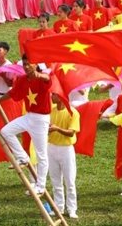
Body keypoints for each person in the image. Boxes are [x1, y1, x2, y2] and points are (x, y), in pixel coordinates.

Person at [0, 54, 51, 195]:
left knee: (41, 154)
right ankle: (23, 157)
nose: (27, 67)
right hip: (29, 116)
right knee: (5, 131)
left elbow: (48, 79)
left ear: (36, 65)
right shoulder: (23, 79)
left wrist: (39, 75)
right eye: (24, 64)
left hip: (41, 119)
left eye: (29, 64)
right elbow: (13, 93)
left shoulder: (42, 77)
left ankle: (40, 185)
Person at [48, 91, 80, 220]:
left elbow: (71, 133)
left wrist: (56, 129)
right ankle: (58, 207)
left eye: (54, 95)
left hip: (66, 149)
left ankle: (72, 209)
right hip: (51, 147)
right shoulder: (50, 111)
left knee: (70, 181)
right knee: (56, 181)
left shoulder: (73, 112)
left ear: (61, 97)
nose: (51, 97)